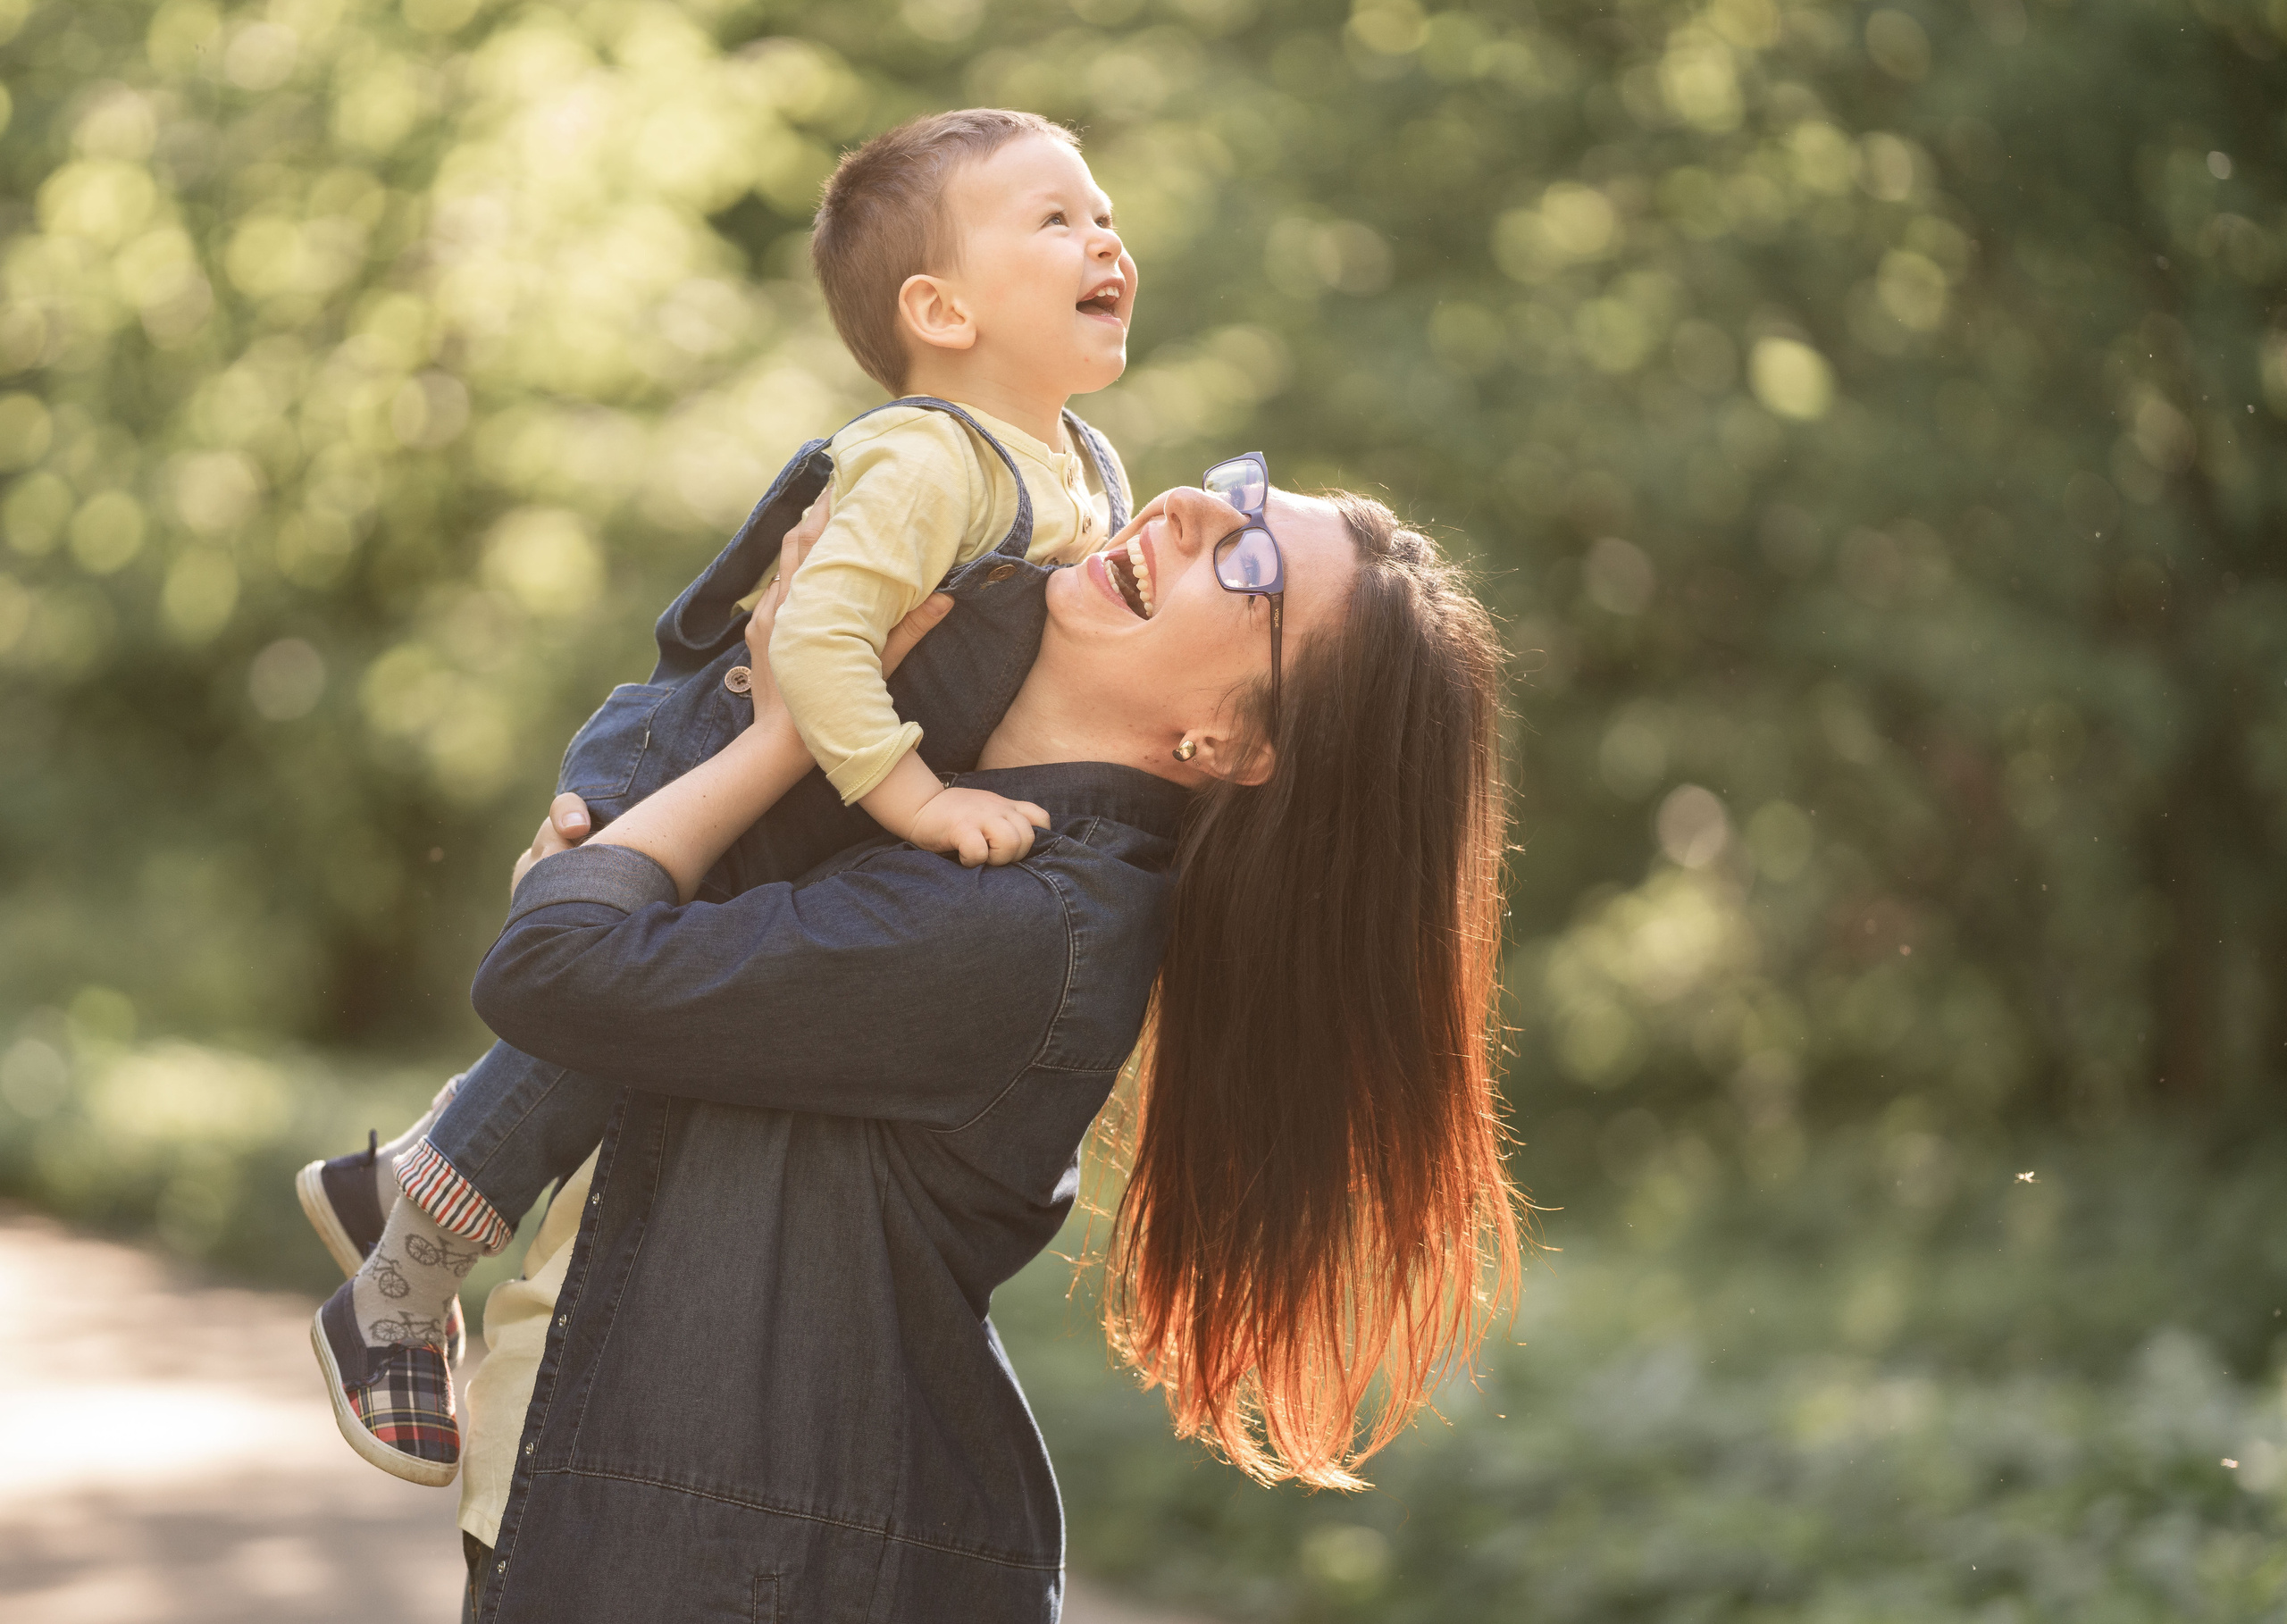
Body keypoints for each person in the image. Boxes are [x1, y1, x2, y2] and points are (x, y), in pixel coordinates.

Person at [451, 473, 1520, 1621]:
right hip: (626, 1511)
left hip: (718, 1570)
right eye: (1234, 492)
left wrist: (773, 744)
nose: (1192, 512)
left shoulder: (1024, 926)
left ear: (1227, 742)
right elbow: (583, 927)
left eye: (1247, 566)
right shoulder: (937, 795)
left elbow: (554, 964)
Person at [301, 106, 1143, 1485]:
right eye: (1054, 219)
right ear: (938, 307)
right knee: (611, 1007)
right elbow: (809, 641)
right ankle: (403, 1263)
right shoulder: (927, 459)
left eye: (1102, 211)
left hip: (810, 794)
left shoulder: (1085, 474)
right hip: (704, 755)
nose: (1104, 235)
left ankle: (403, 1172)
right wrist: (922, 802)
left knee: (676, 993)